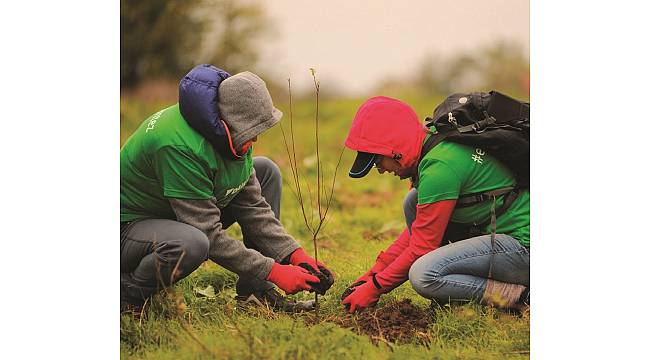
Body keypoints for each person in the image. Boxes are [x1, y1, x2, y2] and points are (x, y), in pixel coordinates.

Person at [120, 64, 333, 315]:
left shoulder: (230, 128)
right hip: (127, 227)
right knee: (192, 242)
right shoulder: (177, 146)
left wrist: (295, 255)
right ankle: (126, 297)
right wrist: (275, 271)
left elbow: (253, 207)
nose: (254, 140)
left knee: (265, 171)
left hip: (170, 213)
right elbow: (207, 233)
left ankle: (256, 293)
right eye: (250, 132)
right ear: (226, 122)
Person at [341, 96, 529, 313]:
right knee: (413, 201)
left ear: (395, 149)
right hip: (502, 237)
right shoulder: (436, 145)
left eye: (377, 161)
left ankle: (522, 298)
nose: (381, 170)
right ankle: (459, 297)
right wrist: (374, 274)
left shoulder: (439, 169)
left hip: (524, 247)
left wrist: (375, 288)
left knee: (424, 275)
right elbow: (418, 234)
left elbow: (421, 247)